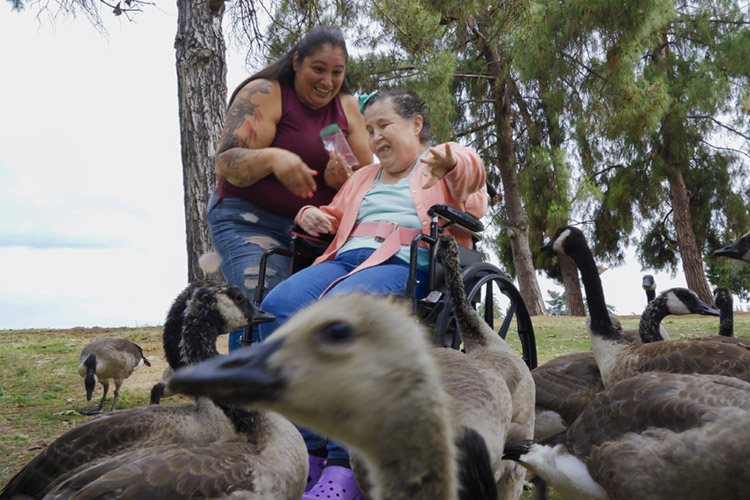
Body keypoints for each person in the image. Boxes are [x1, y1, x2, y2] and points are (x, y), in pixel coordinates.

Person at [258, 89, 488, 500]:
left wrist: (451, 158)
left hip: (407, 264)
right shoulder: (364, 177)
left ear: (415, 126)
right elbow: (334, 216)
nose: (376, 136)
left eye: (385, 125)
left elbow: (472, 179)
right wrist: (309, 214)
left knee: (338, 316)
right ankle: (307, 448)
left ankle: (344, 464)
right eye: (369, 129)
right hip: (344, 258)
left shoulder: (437, 165)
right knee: (277, 308)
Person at [206, 25, 372, 350]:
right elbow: (226, 162)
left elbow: (369, 177)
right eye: (318, 69)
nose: (327, 82)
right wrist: (272, 158)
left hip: (316, 230)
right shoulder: (265, 93)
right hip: (248, 220)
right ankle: (245, 393)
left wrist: (343, 182)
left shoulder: (348, 108)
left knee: (309, 311)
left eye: (337, 72)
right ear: (297, 61)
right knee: (262, 301)